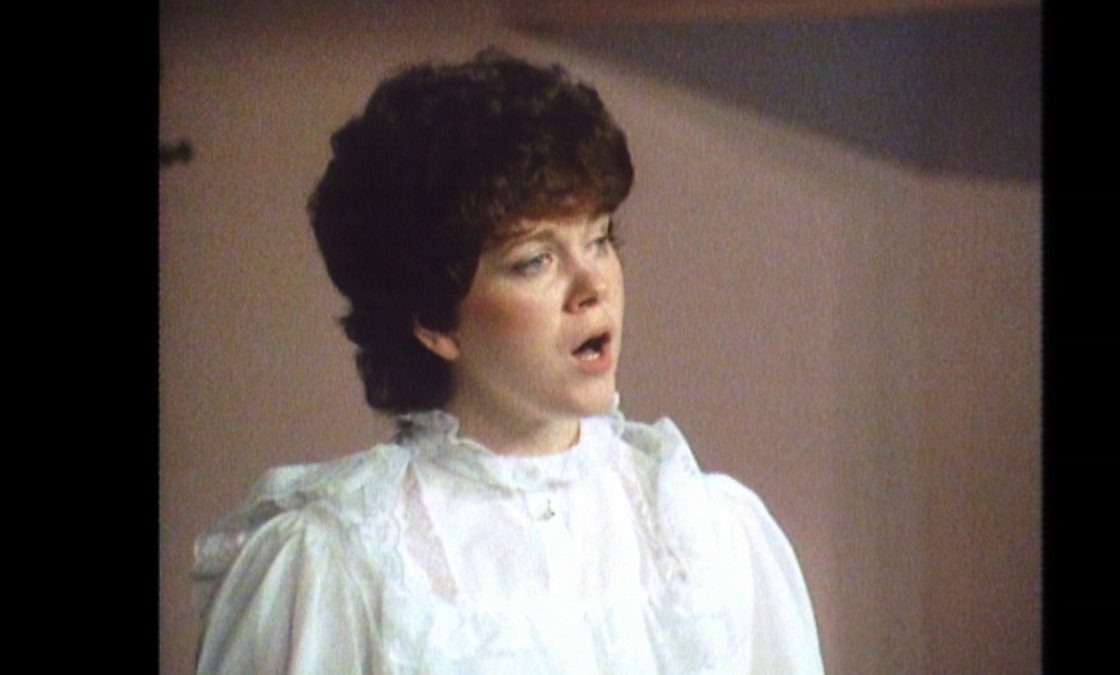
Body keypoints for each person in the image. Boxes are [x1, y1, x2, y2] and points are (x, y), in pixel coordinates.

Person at [192, 48, 825, 674]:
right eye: (536, 261)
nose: (593, 286)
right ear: (436, 320)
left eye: (600, 239)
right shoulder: (339, 565)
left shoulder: (707, 538)